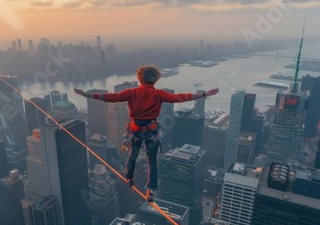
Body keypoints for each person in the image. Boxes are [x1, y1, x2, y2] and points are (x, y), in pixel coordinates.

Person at [74, 65, 219, 202]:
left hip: (135, 130)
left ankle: (130, 179)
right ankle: (150, 191)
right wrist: (204, 94)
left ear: (139, 78)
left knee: (131, 156)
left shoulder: (131, 92)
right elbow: (181, 97)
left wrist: (87, 95)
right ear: (155, 79)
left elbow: (111, 97)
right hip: (152, 131)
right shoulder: (158, 94)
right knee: (152, 162)